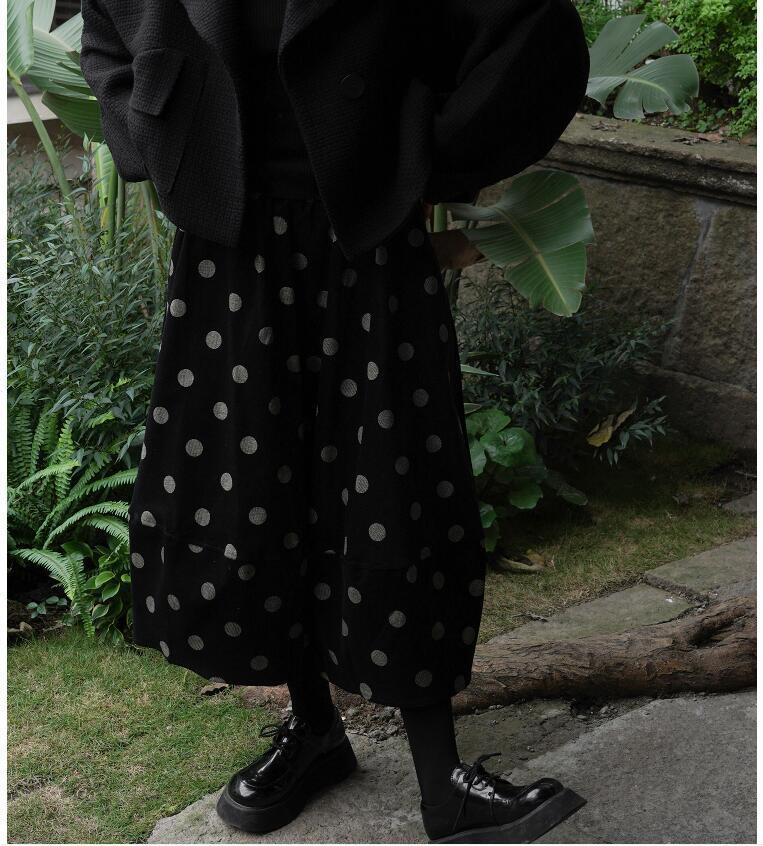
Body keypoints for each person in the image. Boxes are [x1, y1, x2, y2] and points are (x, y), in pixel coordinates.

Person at [80, 0, 590, 841]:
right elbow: (108, 26)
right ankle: (315, 729)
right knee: (249, 497)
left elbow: (528, 27)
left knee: (395, 494)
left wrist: (430, 158)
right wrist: (151, 134)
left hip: (370, 237)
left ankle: (443, 784)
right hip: (227, 246)